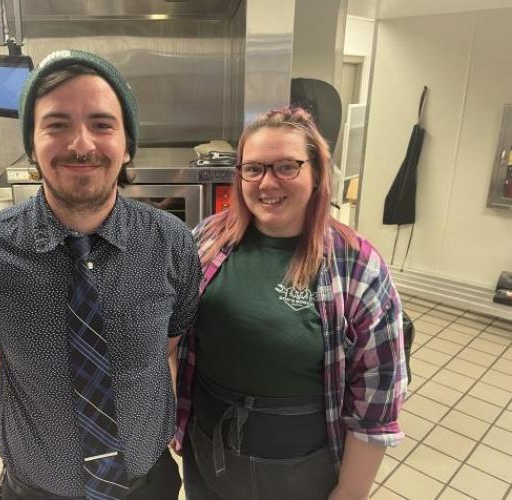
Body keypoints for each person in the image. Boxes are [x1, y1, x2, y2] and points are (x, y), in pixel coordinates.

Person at [0, 50, 201, 500]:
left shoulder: (171, 243)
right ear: (32, 144)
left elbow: (166, 350)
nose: (82, 144)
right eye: (57, 124)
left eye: (102, 124)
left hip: (148, 486)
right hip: (36, 489)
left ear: (127, 144)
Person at [174, 106, 407, 500]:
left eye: (287, 166)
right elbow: (172, 340)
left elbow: (377, 399)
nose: (267, 183)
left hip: (301, 469)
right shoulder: (207, 239)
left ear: (316, 174)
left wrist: (349, 493)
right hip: (208, 451)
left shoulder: (357, 267)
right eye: (254, 169)